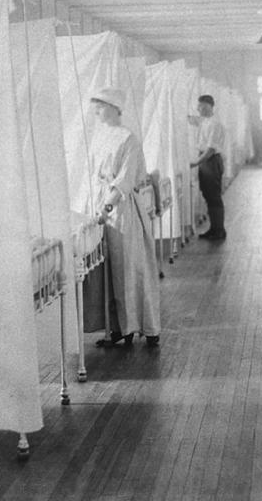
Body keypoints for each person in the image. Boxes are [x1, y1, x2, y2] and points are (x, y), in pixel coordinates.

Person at [88, 86, 161, 347]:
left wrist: (107, 205)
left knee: (130, 269)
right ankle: (118, 329)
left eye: (101, 105)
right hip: (104, 209)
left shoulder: (128, 138)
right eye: (96, 105)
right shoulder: (101, 137)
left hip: (123, 210)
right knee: (111, 272)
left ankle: (143, 328)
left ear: (114, 109)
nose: (97, 111)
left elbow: (125, 179)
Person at [190, 94, 227, 240]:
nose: (199, 109)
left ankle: (219, 230)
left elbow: (211, 149)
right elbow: (192, 119)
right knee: (208, 195)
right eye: (199, 106)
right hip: (206, 161)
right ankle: (214, 228)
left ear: (210, 106)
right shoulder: (205, 121)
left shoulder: (214, 124)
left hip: (211, 161)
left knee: (214, 197)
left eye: (203, 107)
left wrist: (196, 162)